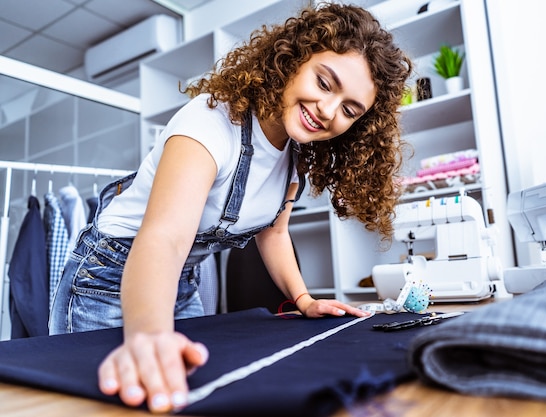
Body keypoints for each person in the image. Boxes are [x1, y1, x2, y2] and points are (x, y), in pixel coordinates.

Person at [49, 2, 412, 413]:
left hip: (181, 280)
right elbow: (165, 238)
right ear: (291, 59)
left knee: (180, 398)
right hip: (107, 278)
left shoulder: (293, 157)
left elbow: (273, 233)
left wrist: (304, 299)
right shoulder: (210, 123)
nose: (328, 111)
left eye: (349, 110)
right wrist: (148, 335)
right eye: (324, 83)